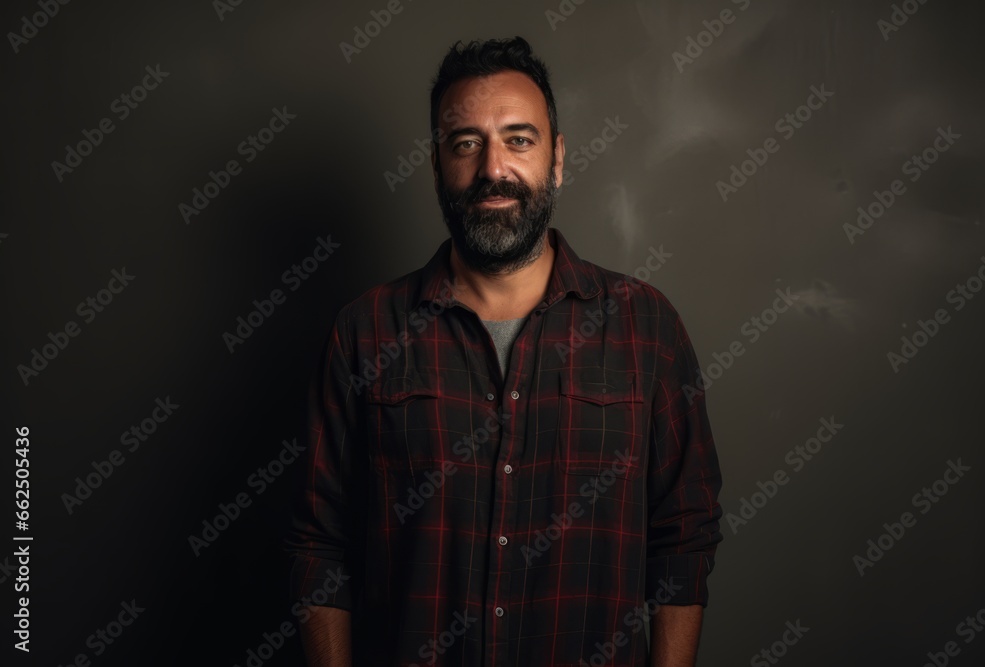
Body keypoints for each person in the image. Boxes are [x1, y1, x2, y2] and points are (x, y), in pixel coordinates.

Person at [284, 36, 723, 667]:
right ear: (437, 164)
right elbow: (318, 544)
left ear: (559, 157)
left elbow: (684, 537)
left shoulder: (645, 327)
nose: (493, 169)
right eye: (467, 143)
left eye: (519, 139)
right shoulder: (366, 332)